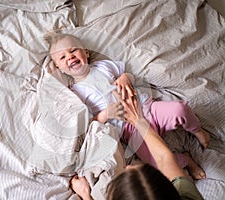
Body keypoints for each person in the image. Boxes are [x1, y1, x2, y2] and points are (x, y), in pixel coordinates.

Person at [46, 33, 209, 179]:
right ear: (59, 68)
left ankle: (197, 130)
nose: (70, 56)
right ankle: (185, 160)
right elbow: (90, 122)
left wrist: (125, 77)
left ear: (86, 53)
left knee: (180, 109)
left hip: (147, 108)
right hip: (129, 128)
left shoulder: (104, 66)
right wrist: (105, 115)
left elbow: (131, 76)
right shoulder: (75, 94)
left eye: (73, 50)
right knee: (155, 164)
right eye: (62, 57)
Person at [70, 92, 205, 200]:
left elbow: (164, 159)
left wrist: (85, 194)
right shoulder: (188, 195)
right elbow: (164, 158)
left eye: (126, 172)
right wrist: (137, 120)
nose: (128, 166)